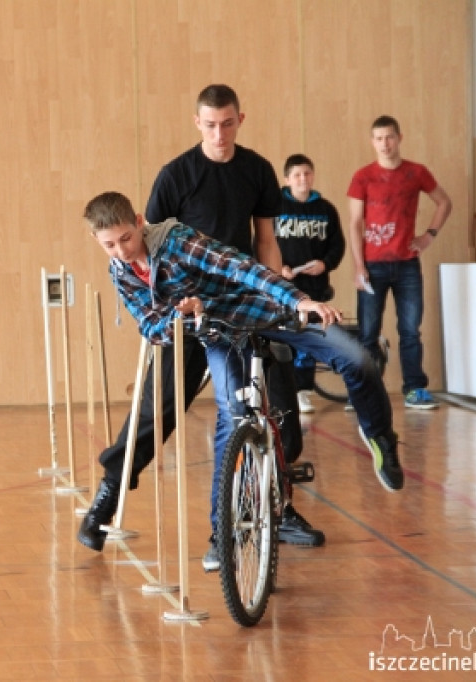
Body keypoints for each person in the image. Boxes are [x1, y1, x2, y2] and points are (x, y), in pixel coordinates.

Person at [78, 84, 322, 561]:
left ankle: (281, 506)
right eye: (210, 124)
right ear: (198, 124)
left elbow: (264, 243)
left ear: (240, 120)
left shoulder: (257, 170)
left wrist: (280, 298)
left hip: (246, 299)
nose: (220, 132)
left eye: (227, 123)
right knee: (156, 411)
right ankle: (108, 495)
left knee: (280, 409)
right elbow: (147, 252)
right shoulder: (176, 176)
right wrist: (173, 315)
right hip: (187, 312)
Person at [82, 191, 402, 553]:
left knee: (356, 359)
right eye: (110, 245)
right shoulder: (120, 271)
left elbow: (239, 266)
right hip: (218, 334)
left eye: (126, 238)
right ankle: (224, 536)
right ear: (97, 241)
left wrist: (298, 299)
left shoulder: (177, 242)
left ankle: (380, 437)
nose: (122, 251)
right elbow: (150, 325)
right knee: (229, 419)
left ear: (140, 222)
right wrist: (182, 315)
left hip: (263, 310)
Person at [347, 115, 452, 410]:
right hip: (372, 266)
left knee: (410, 330)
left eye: (389, 137)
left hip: (407, 265)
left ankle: (415, 389)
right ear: (372, 142)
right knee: (368, 333)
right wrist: (358, 266)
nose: (385, 144)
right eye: (379, 138)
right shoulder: (362, 176)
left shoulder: (416, 172)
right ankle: (366, 392)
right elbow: (355, 223)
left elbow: (444, 202)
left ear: (399, 138)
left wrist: (429, 236)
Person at [274, 154, 346, 414]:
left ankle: (303, 391)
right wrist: (278, 268)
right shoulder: (275, 207)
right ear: (287, 179)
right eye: (297, 175)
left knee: (308, 343)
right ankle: (283, 394)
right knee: (284, 342)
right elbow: (262, 242)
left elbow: (337, 245)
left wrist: (325, 264)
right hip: (283, 290)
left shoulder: (326, 209)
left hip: (315, 289)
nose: (303, 179)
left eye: (307, 173)